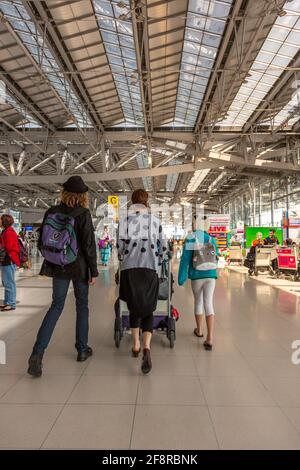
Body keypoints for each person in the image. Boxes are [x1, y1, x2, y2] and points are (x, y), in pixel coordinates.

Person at [27, 176, 98, 378]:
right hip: (79, 267)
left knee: (56, 306)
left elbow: (43, 240)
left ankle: (37, 354)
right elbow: (88, 245)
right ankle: (82, 349)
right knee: (82, 305)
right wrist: (93, 270)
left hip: (57, 265)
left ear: (64, 193)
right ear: (82, 196)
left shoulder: (52, 211)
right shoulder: (83, 213)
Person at [117, 188, 169, 374]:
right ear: (147, 201)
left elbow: (120, 248)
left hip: (130, 269)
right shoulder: (155, 222)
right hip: (150, 269)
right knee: (148, 308)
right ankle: (147, 347)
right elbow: (164, 248)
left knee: (133, 306)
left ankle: (136, 345)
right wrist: (159, 261)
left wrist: (126, 257)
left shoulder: (125, 221)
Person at [178, 215, 218, 351]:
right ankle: (210, 338)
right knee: (209, 303)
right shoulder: (212, 238)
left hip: (197, 275)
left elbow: (185, 260)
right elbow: (216, 256)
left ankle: (200, 330)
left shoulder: (191, 238)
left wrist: (181, 278)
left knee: (199, 302)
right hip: (211, 275)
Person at [0, 214, 20, 311]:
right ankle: (8, 302)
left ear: (4, 221)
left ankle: (11, 303)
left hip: (9, 260)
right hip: (6, 260)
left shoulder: (9, 232)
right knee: (6, 282)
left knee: (9, 283)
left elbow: (8, 247)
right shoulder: (5, 231)